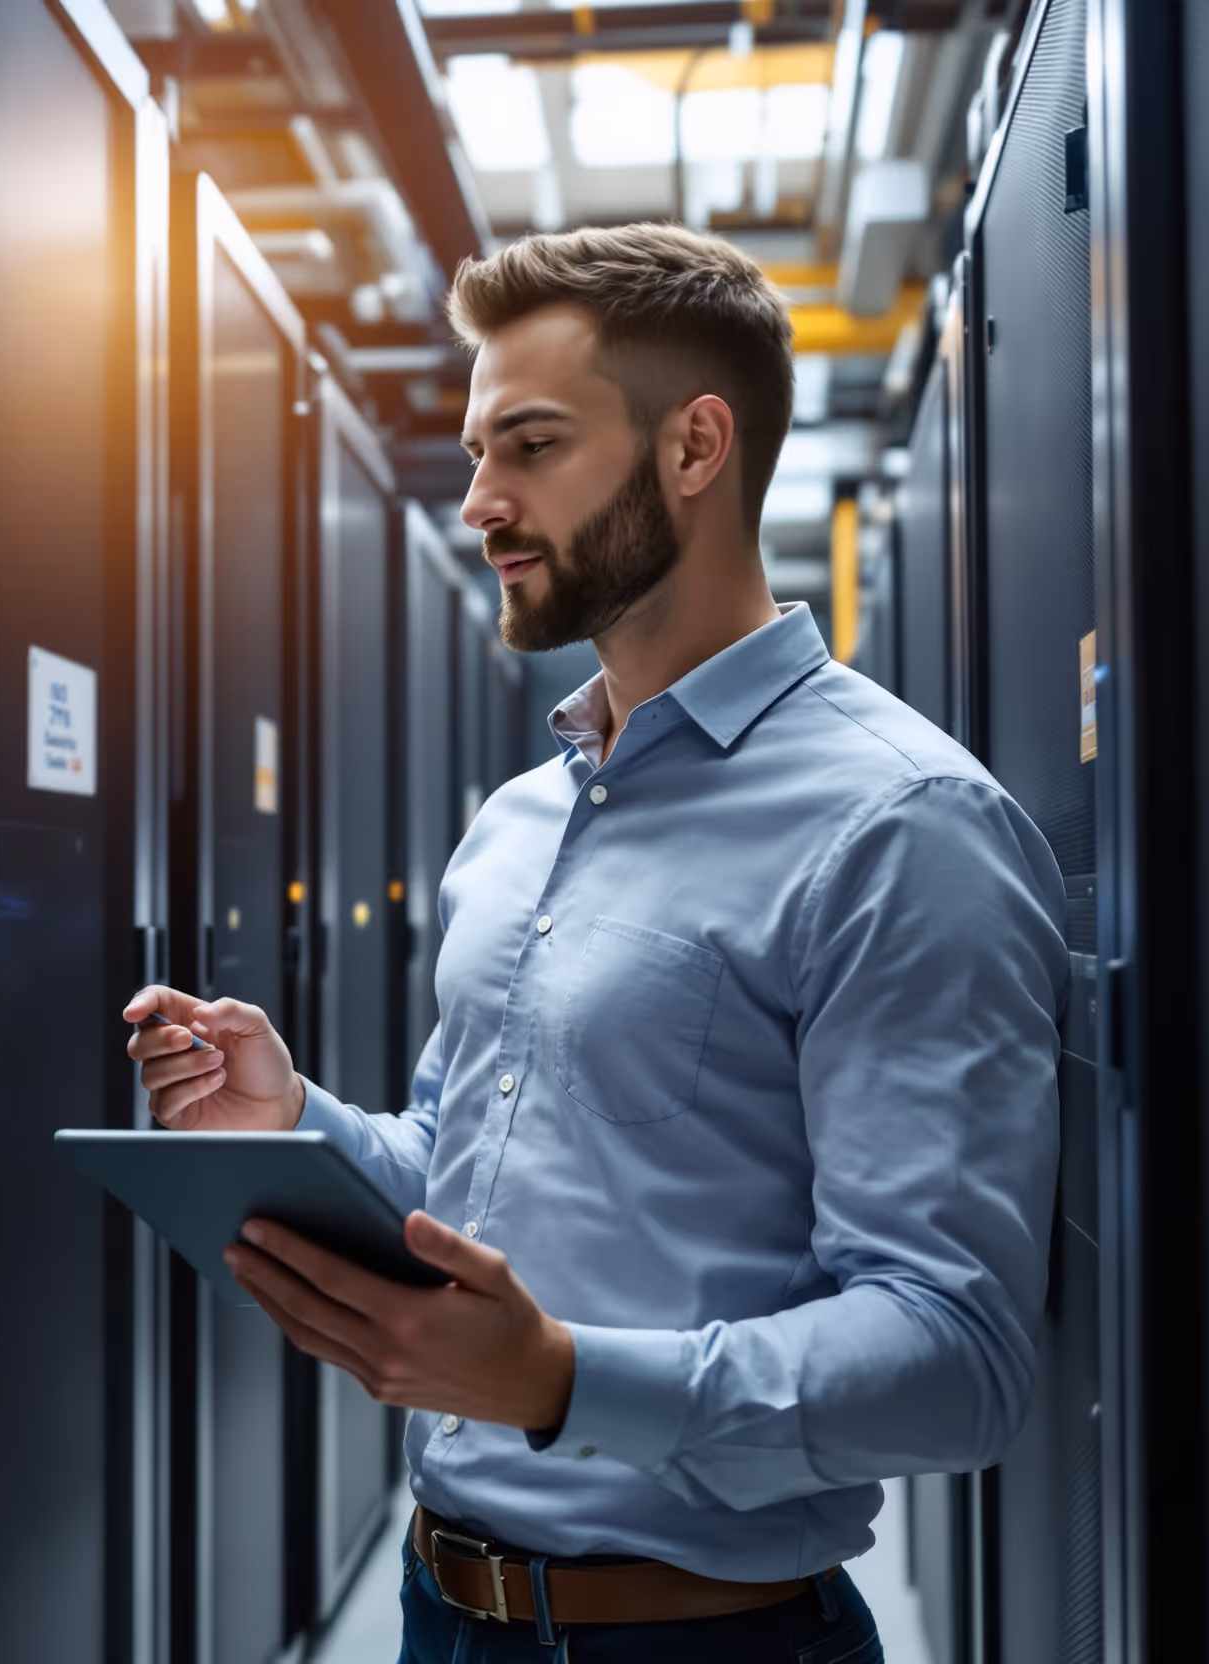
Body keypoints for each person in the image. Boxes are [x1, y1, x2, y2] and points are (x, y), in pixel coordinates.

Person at [123, 224, 1066, 1664]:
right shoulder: (518, 821)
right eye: (476, 451)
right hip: (444, 1616)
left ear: (697, 448)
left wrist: (566, 1381)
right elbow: (462, 1180)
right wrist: (295, 1123)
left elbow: (957, 1359)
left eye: (532, 447)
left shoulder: (902, 824)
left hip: (710, 1640)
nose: (480, 503)